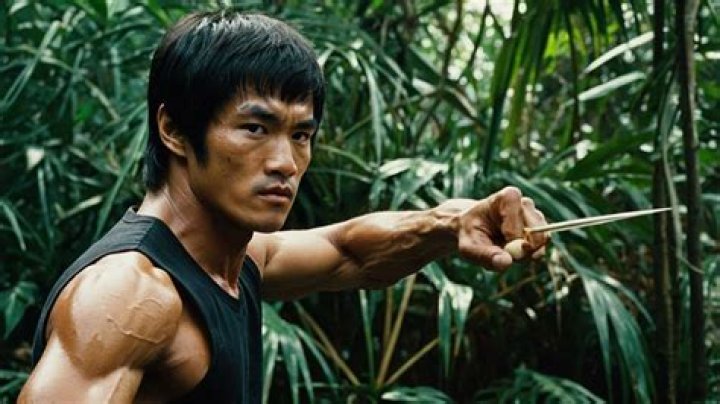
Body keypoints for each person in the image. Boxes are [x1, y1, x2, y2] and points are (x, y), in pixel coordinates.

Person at [18, 10, 548, 403]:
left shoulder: (234, 262)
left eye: (301, 135)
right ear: (174, 129)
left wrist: (452, 223)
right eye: (255, 128)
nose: (285, 163)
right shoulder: (128, 294)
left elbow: (351, 253)